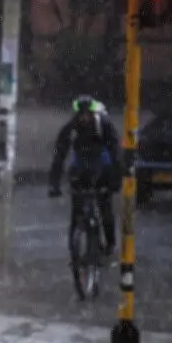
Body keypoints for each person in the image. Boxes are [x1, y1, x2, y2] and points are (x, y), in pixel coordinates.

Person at [48, 95, 121, 257]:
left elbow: (116, 152)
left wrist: (116, 179)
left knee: (105, 207)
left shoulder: (104, 125)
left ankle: (109, 243)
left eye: (87, 115)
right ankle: (74, 245)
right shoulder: (70, 128)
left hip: (102, 168)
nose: (84, 118)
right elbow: (59, 155)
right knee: (77, 209)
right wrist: (54, 184)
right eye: (81, 115)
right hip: (81, 168)